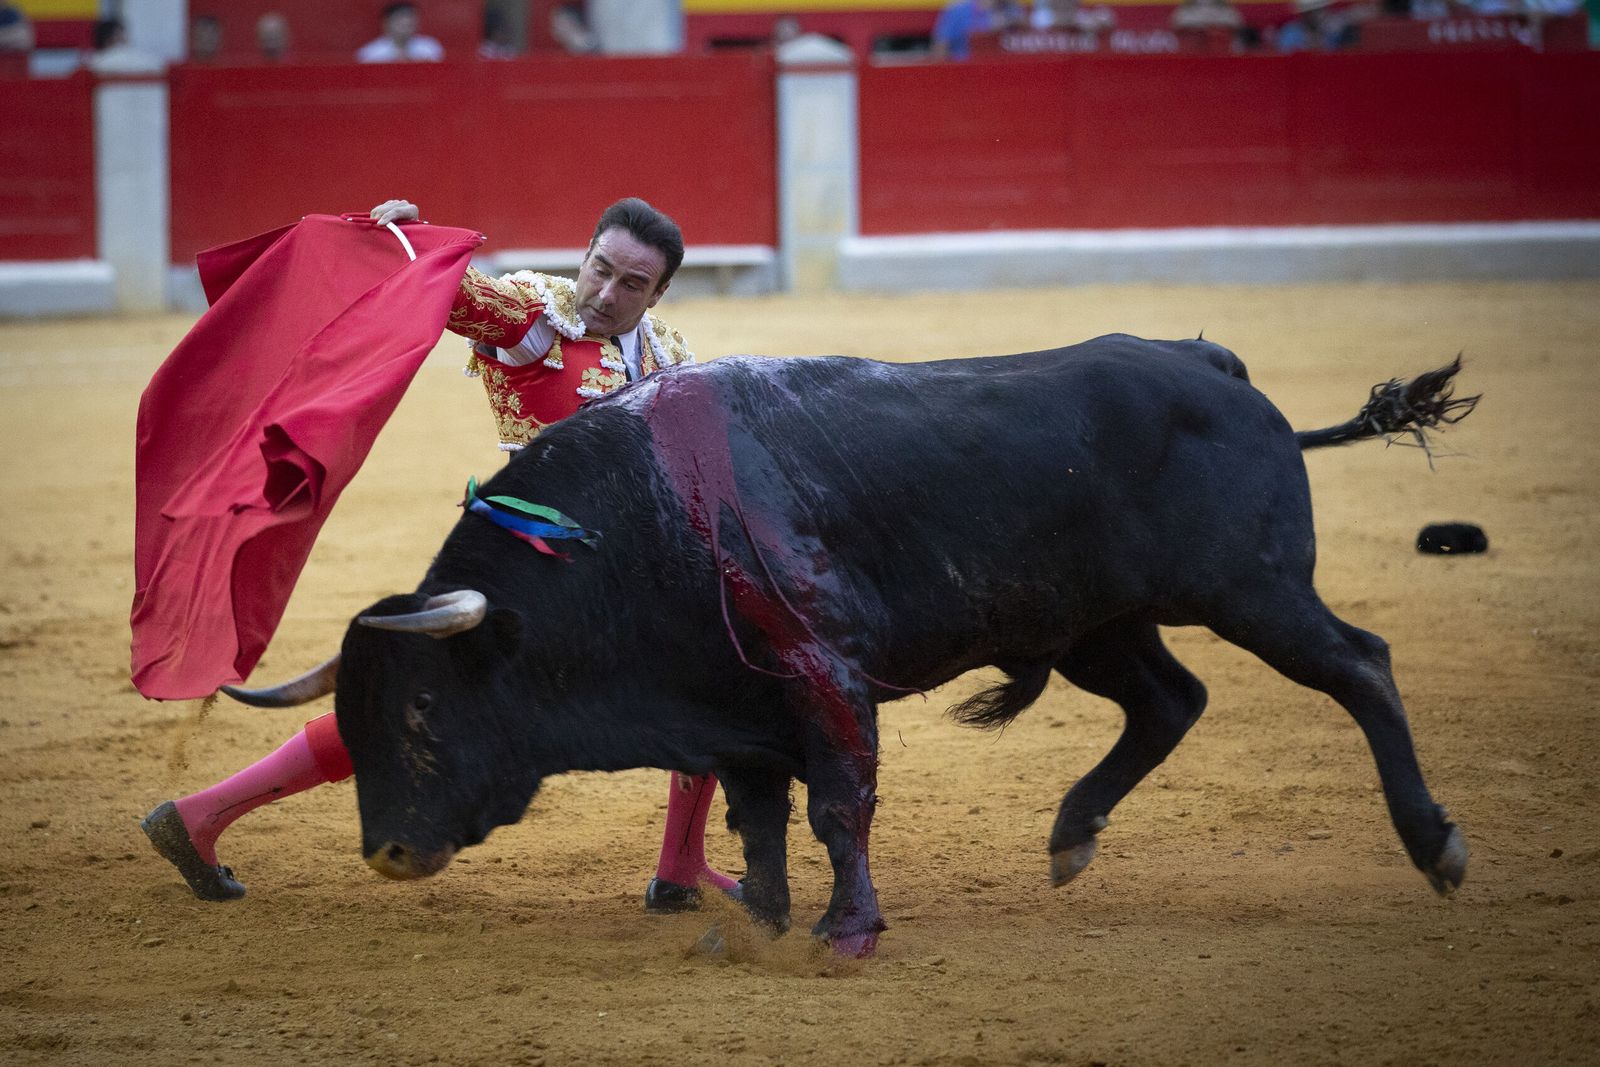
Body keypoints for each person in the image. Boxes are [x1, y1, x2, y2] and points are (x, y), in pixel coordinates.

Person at [141, 196, 739, 915]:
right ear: (583, 256)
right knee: (427, 707)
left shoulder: (670, 353)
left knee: (720, 662)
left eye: (631, 284)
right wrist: (400, 238)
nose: (606, 294)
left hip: (621, 572)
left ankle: (679, 866)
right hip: (534, 568)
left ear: (660, 291)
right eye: (599, 269)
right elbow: (438, 289)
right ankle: (203, 813)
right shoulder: (531, 319)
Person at [930, 0, 1021, 59]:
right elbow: (939, 52)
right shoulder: (957, 10)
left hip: (1004, 73)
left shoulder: (1014, 10)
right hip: (965, 72)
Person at [356, 1, 445, 62]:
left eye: (410, 19)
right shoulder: (370, 53)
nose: (405, 23)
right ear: (386, 23)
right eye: (400, 19)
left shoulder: (430, 48)